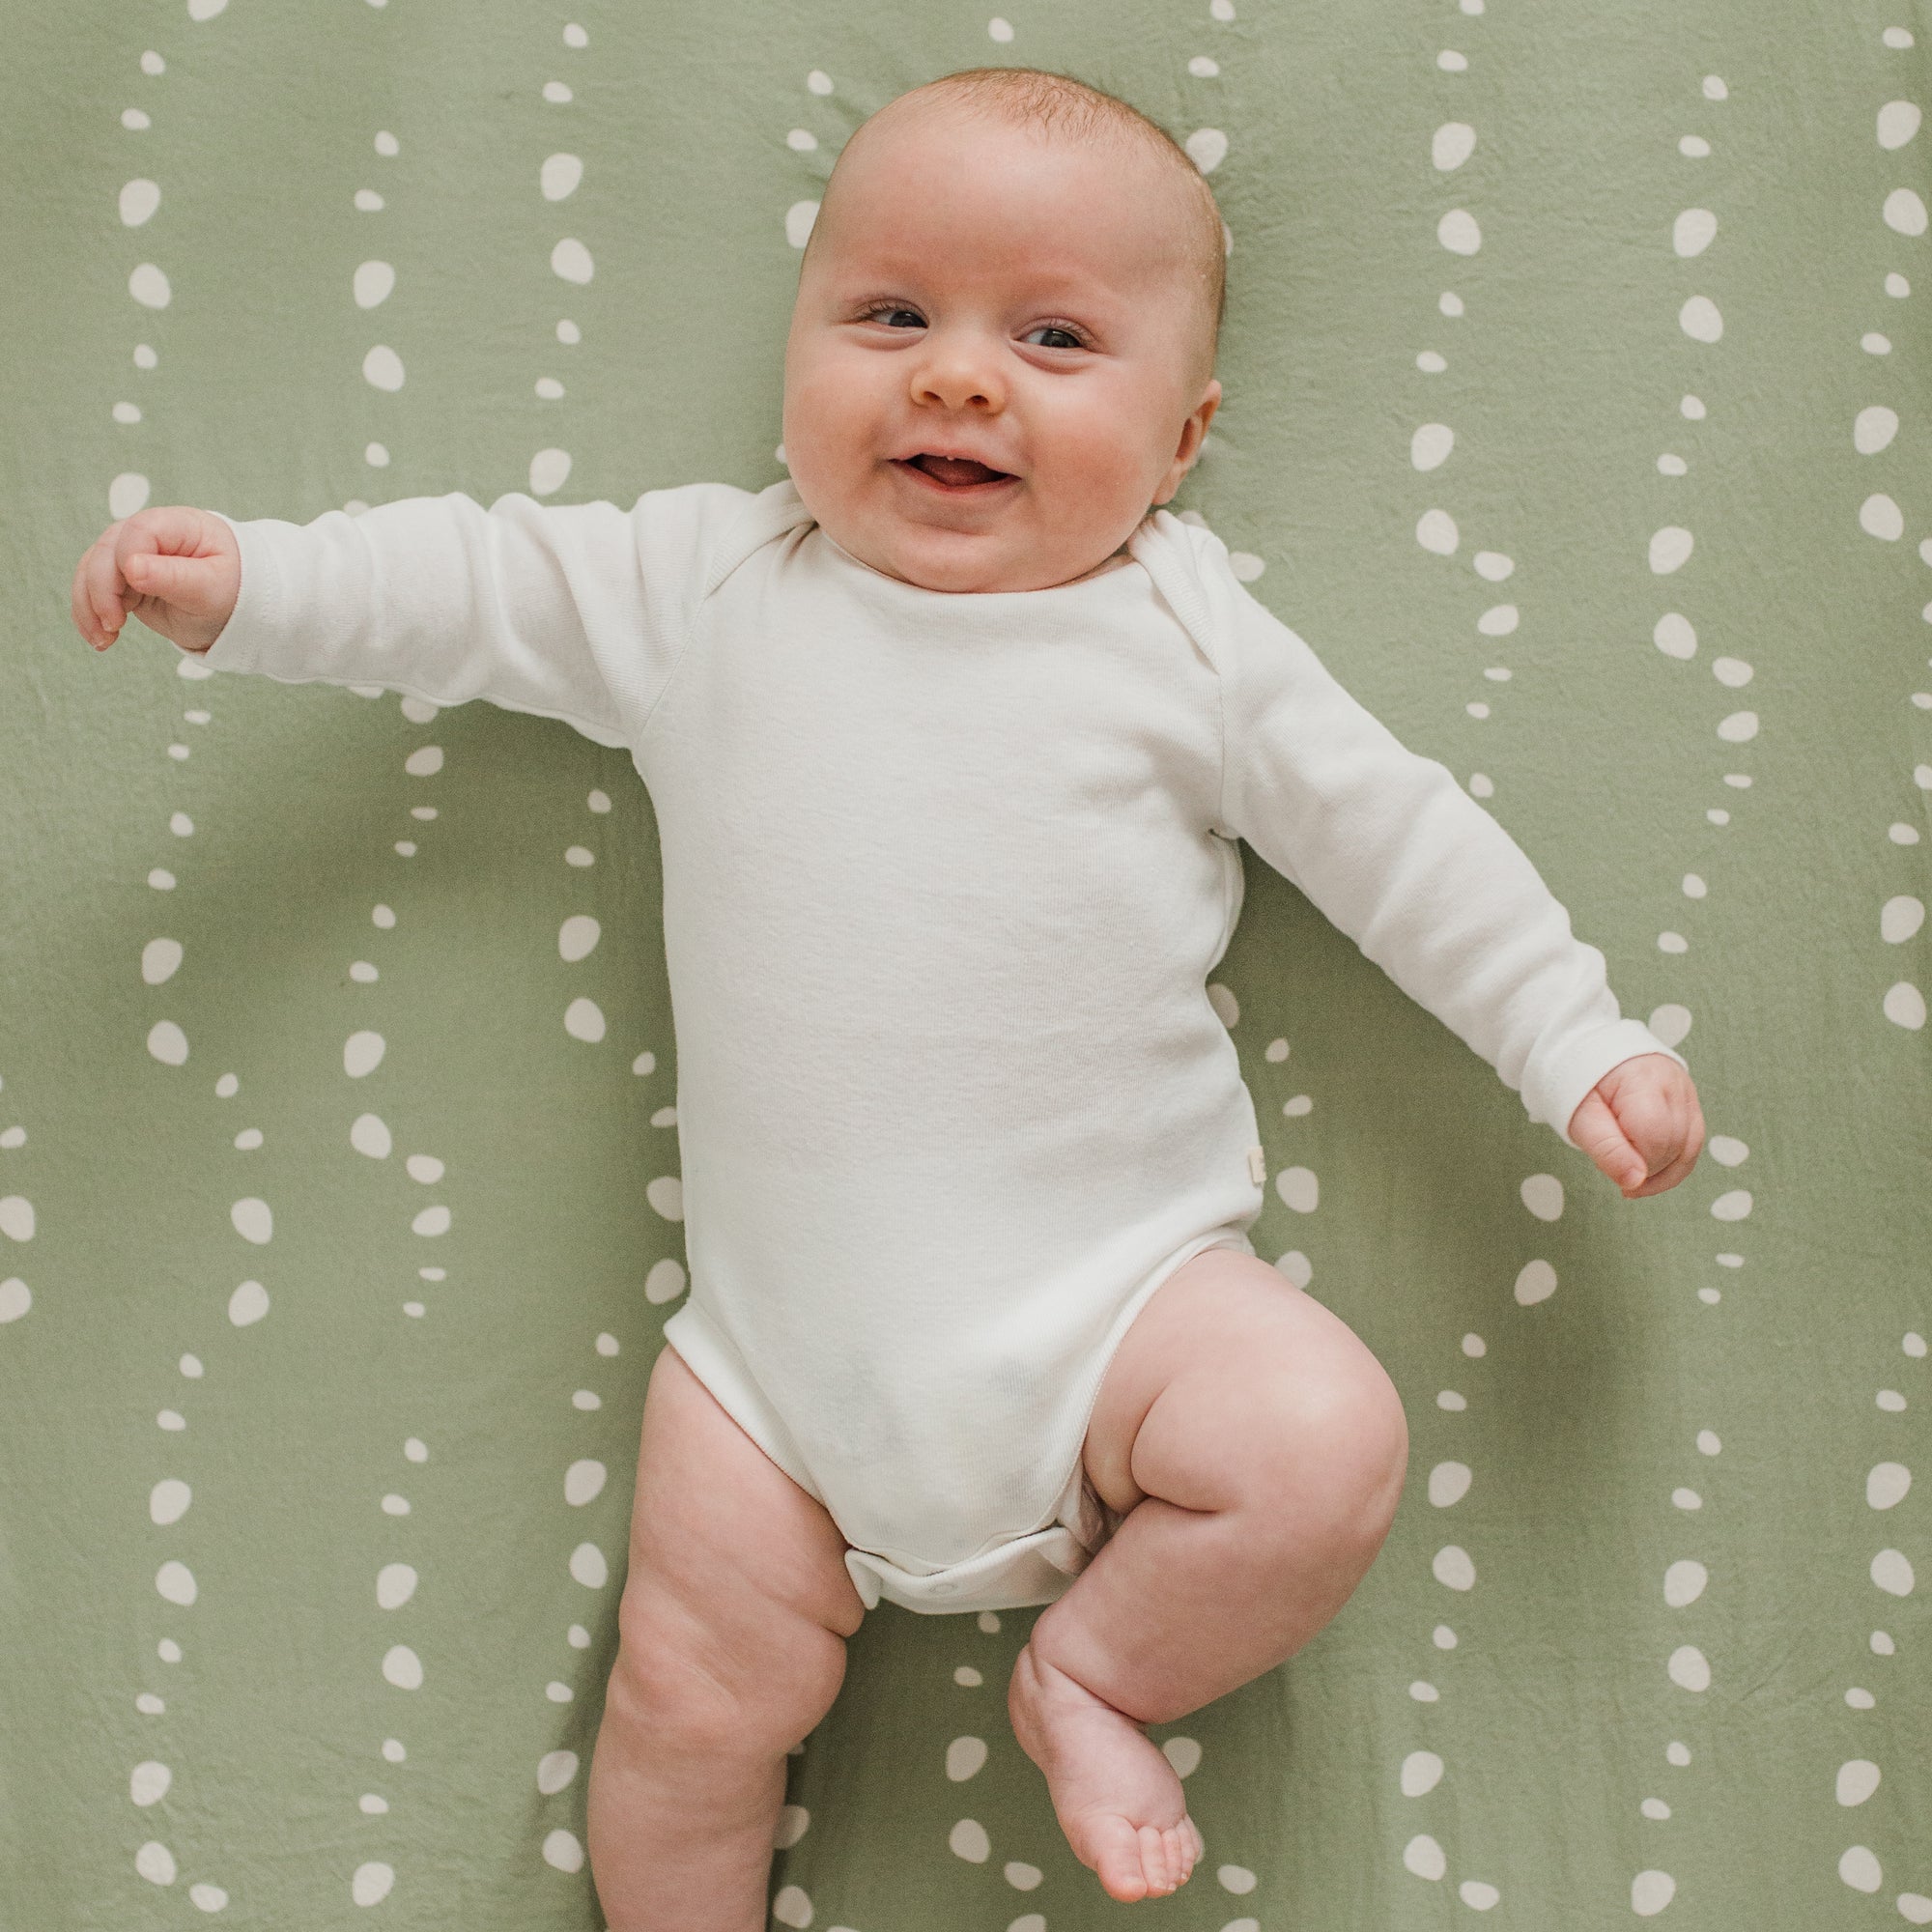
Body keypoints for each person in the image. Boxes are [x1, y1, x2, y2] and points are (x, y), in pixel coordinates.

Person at [70, 65, 1704, 1928]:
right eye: (888, 314)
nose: (954, 376)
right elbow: (475, 581)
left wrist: (1580, 1035)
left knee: (1319, 1442)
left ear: (1180, 444)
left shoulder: (1187, 639)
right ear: (797, 352)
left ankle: (1094, 1673)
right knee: (686, 1711)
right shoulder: (714, 583)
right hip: (775, 1382)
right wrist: (259, 587)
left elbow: (1402, 843)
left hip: (1128, 1317)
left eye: (1057, 336)